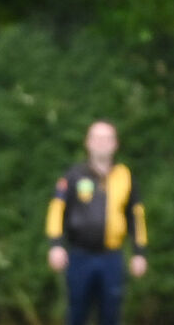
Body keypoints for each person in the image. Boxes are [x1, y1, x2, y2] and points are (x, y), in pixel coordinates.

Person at [45, 119, 148, 325]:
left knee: (111, 315)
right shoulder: (74, 176)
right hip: (79, 256)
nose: (102, 143)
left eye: (107, 138)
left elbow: (135, 215)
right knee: (76, 314)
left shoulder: (125, 176)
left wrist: (139, 253)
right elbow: (57, 210)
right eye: (97, 138)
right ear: (88, 142)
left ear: (115, 144)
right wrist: (55, 245)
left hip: (111, 258)